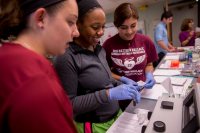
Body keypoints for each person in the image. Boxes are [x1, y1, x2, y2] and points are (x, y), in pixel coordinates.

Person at [55, 0, 141, 132]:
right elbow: (68, 105)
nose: (101, 32)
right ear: (78, 25)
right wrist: (108, 94)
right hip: (94, 126)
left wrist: (123, 84)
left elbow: (107, 81)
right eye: (95, 27)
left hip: (116, 116)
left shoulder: (100, 50)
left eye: (103, 27)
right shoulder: (67, 57)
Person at [0, 0, 79, 133]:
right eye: (70, 22)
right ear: (41, 18)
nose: (76, 32)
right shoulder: (34, 79)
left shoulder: (8, 58)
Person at [103, 3, 158, 111]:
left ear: (137, 21)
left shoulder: (146, 41)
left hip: (143, 92)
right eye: (123, 28)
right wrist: (122, 79)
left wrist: (149, 74)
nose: (129, 32)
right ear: (116, 25)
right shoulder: (108, 45)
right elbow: (106, 72)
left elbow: (149, 64)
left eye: (133, 26)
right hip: (121, 96)